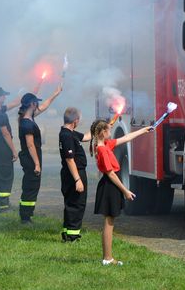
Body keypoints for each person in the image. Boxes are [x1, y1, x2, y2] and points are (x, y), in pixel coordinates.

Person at [90, 119, 153, 265]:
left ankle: (108, 257)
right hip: (110, 185)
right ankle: (107, 258)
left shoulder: (104, 145)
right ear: (102, 133)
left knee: (110, 220)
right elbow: (111, 174)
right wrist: (125, 190)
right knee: (109, 221)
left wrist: (143, 130)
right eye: (109, 130)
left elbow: (125, 138)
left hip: (110, 183)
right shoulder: (102, 149)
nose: (111, 133)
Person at [18, 86, 62, 223]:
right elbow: (30, 145)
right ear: (32, 104)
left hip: (31, 157)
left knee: (32, 186)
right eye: (36, 102)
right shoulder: (27, 124)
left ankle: (27, 214)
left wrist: (55, 93)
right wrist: (37, 164)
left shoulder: (28, 117)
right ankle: (25, 217)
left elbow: (44, 106)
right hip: (31, 159)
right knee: (31, 186)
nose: (37, 104)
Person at [59, 107, 91, 242]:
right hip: (74, 173)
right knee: (77, 204)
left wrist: (100, 126)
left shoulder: (70, 133)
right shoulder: (67, 136)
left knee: (71, 203)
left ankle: (67, 232)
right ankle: (73, 236)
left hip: (72, 173)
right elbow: (69, 159)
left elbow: (86, 137)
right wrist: (78, 179)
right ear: (75, 120)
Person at [0, 87, 20, 212]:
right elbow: (5, 133)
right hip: (2, 147)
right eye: (3, 96)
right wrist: (13, 150)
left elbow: (12, 105)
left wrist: (22, 96)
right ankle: (3, 206)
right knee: (5, 174)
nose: (5, 97)